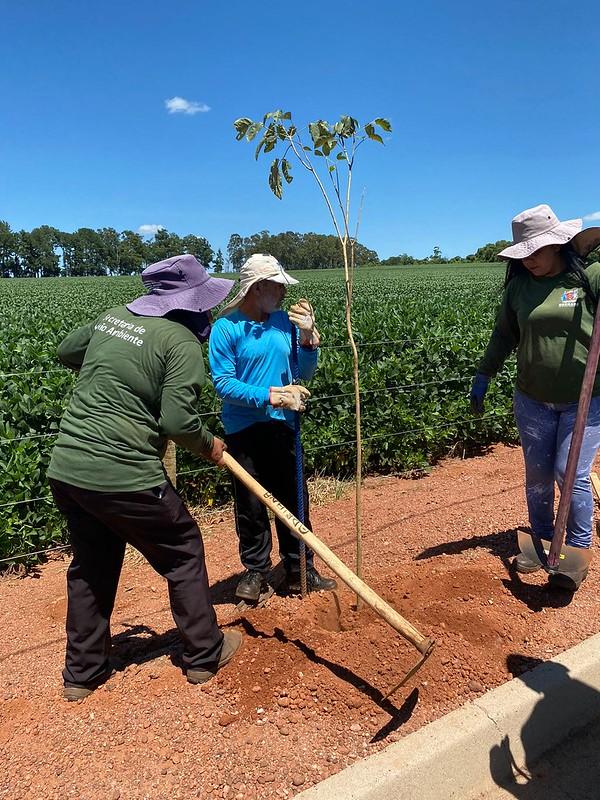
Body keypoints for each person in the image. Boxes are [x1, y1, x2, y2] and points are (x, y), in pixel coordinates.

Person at [48, 254, 243, 700]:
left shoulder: (112, 318)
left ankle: (82, 673)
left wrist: (118, 359)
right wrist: (211, 445)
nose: (208, 312)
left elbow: (66, 351)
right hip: (125, 473)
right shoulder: (180, 343)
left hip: (69, 469)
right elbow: (177, 420)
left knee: (91, 565)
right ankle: (204, 653)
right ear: (191, 304)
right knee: (182, 549)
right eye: (205, 303)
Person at [470, 204, 600, 591]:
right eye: (522, 254)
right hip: (532, 399)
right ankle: (543, 542)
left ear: (558, 245)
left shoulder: (589, 276)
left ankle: (576, 551)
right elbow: (504, 335)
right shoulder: (519, 288)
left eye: (536, 252)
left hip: (586, 400)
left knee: (569, 472)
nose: (528, 261)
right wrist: (484, 373)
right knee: (538, 476)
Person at [208, 253, 337, 602]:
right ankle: (256, 571)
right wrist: (272, 396)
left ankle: (299, 568)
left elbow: (305, 372)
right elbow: (223, 384)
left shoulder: (284, 324)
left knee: (293, 496)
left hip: (284, 426)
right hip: (244, 429)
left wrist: (310, 339)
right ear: (258, 287)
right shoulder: (226, 328)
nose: (282, 293)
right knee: (250, 503)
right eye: (277, 286)